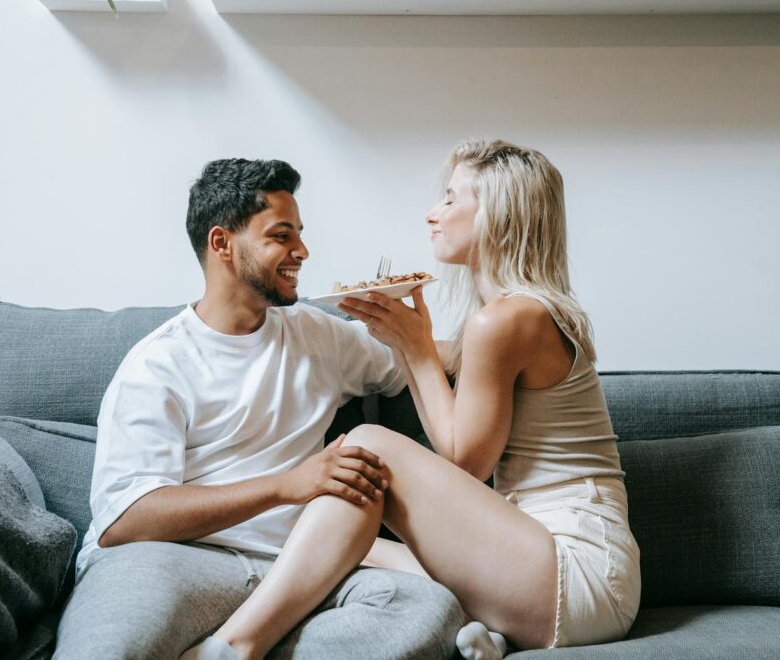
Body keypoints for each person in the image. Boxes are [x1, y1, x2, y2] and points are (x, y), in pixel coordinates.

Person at [194, 140, 641, 660]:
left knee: (364, 448)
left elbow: (467, 464)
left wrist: (418, 349)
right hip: (541, 561)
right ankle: (488, 630)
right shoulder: (509, 318)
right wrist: (408, 345)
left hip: (580, 575)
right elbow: (452, 431)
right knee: (346, 544)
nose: (434, 213)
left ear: (497, 214)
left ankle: (232, 647)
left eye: (451, 200)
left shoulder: (508, 320)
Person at [53, 158, 464, 659]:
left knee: (426, 610)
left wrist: (511, 336)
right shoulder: (158, 365)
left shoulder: (319, 334)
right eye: (282, 236)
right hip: (178, 561)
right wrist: (284, 486)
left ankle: (233, 647)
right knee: (110, 647)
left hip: (296, 574)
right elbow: (127, 520)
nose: (303, 252)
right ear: (222, 243)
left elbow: (421, 359)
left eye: (301, 235)